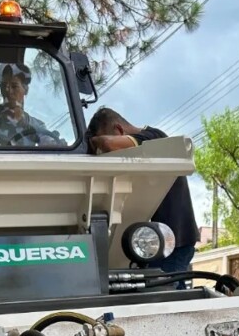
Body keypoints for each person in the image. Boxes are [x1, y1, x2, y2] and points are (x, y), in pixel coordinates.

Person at [85, 108, 199, 277]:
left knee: (163, 294)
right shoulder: (147, 146)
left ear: (119, 130)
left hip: (173, 242)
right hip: (160, 241)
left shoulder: (153, 137)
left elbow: (109, 144)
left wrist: (93, 142)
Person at [0, 63, 63, 148]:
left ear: (25, 89)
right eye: (4, 86)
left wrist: (56, 145)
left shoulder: (36, 124)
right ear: (0, 89)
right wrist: (3, 119)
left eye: (14, 86)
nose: (9, 91)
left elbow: (47, 142)